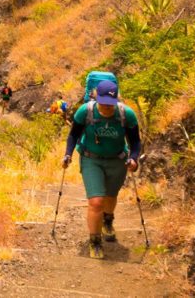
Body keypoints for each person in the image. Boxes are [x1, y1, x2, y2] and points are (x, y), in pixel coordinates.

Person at [62, 79, 141, 259]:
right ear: (97, 99)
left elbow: (135, 141)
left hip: (117, 160)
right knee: (96, 201)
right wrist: (68, 154)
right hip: (91, 159)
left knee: (110, 196)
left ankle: (108, 220)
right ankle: (95, 242)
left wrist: (134, 159)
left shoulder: (126, 114)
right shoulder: (86, 111)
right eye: (104, 103)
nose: (107, 107)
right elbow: (73, 134)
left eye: (111, 104)